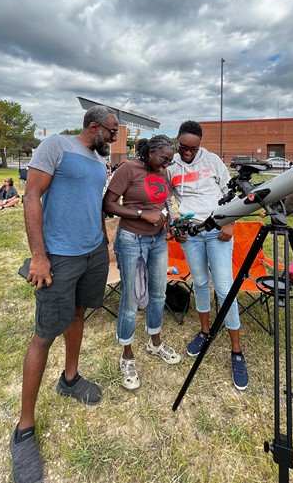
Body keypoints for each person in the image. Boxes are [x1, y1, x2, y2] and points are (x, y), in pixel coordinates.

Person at [11, 105, 120, 483]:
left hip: (92, 252)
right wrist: (39, 256)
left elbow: (92, 206)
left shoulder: (97, 161)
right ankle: (25, 428)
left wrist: (104, 244)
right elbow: (31, 198)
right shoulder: (55, 146)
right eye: (113, 132)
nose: (115, 138)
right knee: (44, 333)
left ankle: (70, 379)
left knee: (77, 315)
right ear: (94, 127)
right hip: (59, 256)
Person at [165, 120, 250, 391]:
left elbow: (232, 194)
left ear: (200, 144)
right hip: (190, 233)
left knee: (225, 289)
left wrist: (231, 222)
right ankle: (204, 332)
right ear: (177, 143)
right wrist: (174, 226)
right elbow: (167, 201)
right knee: (200, 284)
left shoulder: (213, 161)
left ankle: (236, 350)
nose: (187, 153)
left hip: (218, 231)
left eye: (192, 148)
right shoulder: (171, 166)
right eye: (183, 147)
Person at [103, 135, 182, 391]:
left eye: (170, 161)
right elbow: (108, 204)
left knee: (159, 293)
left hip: (158, 240)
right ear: (150, 152)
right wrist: (140, 214)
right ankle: (126, 354)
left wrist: (168, 224)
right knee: (129, 299)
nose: (165, 166)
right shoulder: (128, 168)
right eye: (163, 159)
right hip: (130, 239)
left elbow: (164, 202)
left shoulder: (164, 171)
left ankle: (154, 343)